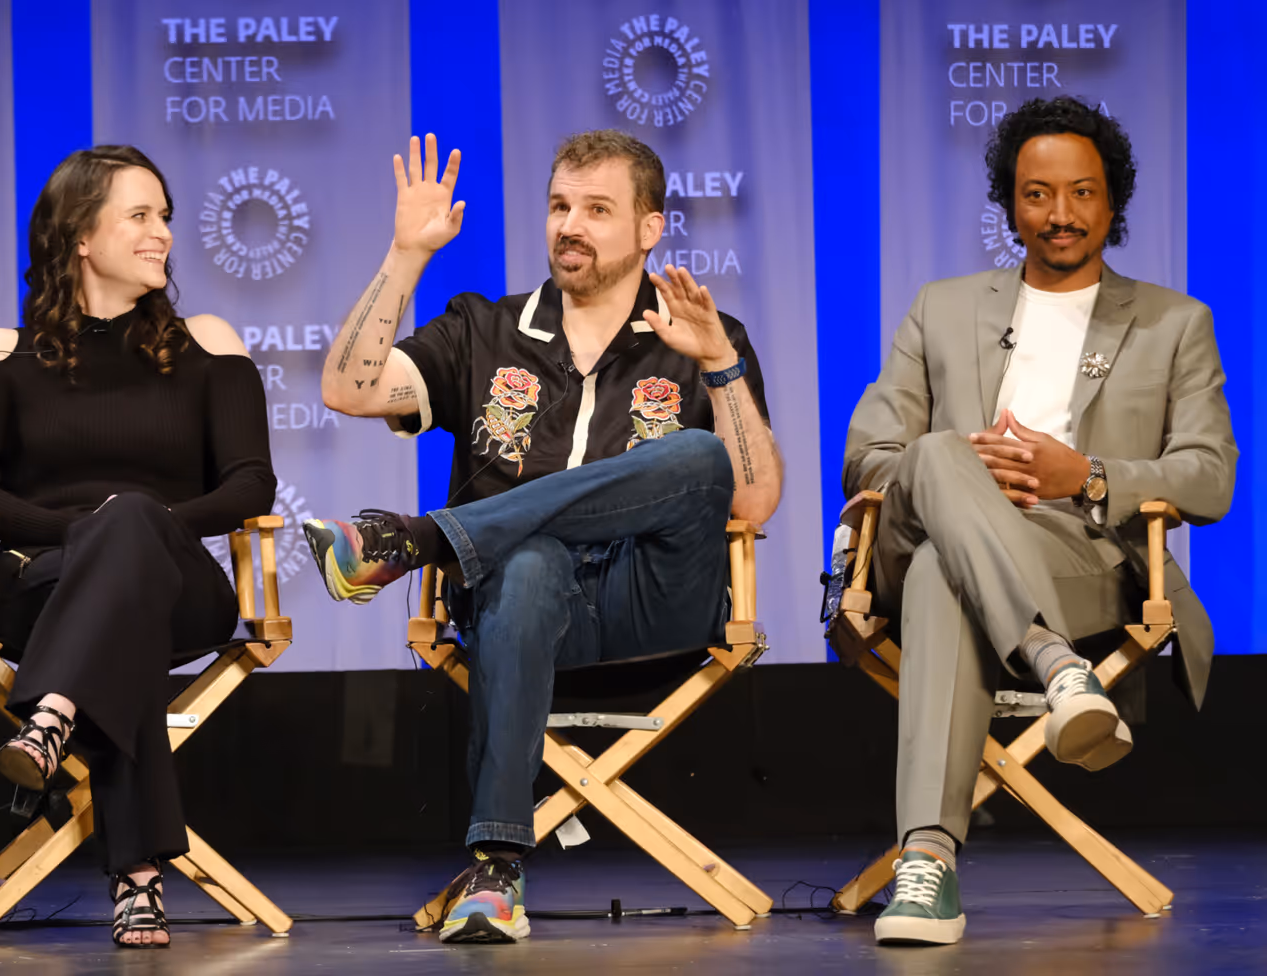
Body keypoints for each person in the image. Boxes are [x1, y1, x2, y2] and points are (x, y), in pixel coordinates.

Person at [303, 130, 782, 943]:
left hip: (653, 602)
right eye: (561, 206)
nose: (571, 226)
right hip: (518, 611)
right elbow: (348, 390)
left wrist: (722, 366)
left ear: (650, 228)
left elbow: (754, 502)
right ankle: (496, 870)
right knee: (526, 563)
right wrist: (404, 254)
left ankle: (420, 539)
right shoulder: (484, 331)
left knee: (697, 454)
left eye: (598, 209)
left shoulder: (702, 331)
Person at [845, 96, 1236, 946]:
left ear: (1112, 200)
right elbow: (871, 456)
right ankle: (1058, 669)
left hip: (1078, 554)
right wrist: (957, 471)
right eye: (1036, 194)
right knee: (945, 453)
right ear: (1009, 201)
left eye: (1082, 193)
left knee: (950, 579)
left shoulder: (1175, 323)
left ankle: (928, 864)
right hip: (929, 532)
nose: (1059, 215)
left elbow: (1210, 478)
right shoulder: (942, 308)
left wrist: (1086, 475)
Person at [0, 146, 275, 948]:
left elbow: (250, 487)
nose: (163, 234)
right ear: (81, 235)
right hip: (37, 582)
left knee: (131, 529)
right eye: (141, 216)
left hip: (178, 578)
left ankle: (51, 715)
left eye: (166, 218)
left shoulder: (208, 343)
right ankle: (140, 879)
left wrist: (134, 520)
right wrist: (89, 530)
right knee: (125, 630)